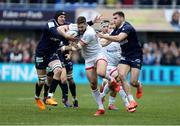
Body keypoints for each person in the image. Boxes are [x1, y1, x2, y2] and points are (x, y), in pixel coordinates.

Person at [57, 16, 107, 116]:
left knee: (101, 73)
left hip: (98, 54)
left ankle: (112, 80)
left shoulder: (89, 32)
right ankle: (101, 108)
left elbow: (77, 47)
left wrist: (63, 48)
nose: (80, 29)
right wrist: (66, 35)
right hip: (88, 59)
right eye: (79, 27)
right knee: (93, 84)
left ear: (86, 25)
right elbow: (59, 28)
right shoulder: (75, 27)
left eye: (82, 27)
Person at [97, 11, 143, 109]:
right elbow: (110, 40)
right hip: (125, 56)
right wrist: (101, 44)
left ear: (122, 18)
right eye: (113, 18)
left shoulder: (127, 27)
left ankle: (139, 85)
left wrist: (103, 36)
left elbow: (118, 38)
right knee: (120, 77)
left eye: (115, 18)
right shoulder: (117, 29)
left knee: (133, 82)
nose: (113, 21)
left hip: (136, 56)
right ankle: (131, 101)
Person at [34, 11, 74, 110]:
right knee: (41, 82)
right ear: (56, 18)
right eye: (61, 16)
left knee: (59, 70)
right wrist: (65, 35)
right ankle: (37, 97)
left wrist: (91, 22)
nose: (63, 18)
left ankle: (49, 97)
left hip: (52, 55)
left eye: (64, 17)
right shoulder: (50, 23)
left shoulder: (66, 26)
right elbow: (55, 32)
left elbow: (78, 26)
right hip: (41, 54)